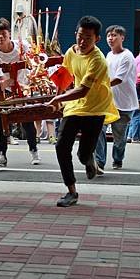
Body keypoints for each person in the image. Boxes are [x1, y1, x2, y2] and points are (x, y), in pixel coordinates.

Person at [47, 16, 119, 207]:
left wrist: (59, 99)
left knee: (82, 153)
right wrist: (58, 98)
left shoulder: (98, 61)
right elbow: (65, 76)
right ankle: (71, 191)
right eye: (80, 35)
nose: (82, 41)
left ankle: (89, 159)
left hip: (95, 108)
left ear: (97, 39)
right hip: (75, 106)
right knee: (61, 146)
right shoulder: (71, 51)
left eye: (88, 37)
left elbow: (82, 90)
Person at [0, 18, 39, 167]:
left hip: (24, 90)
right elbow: (1, 82)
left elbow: (34, 65)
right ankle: (1, 155)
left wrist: (30, 80)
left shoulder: (22, 46)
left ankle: (34, 150)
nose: (0, 37)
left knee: (27, 121)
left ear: (9, 34)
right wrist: (11, 81)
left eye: (3, 34)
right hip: (5, 93)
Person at [95, 25, 138, 170]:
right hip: (108, 102)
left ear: (122, 38)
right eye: (108, 36)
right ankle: (99, 162)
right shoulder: (109, 55)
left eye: (114, 35)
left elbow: (118, 79)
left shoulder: (127, 56)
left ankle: (118, 159)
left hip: (124, 104)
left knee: (119, 139)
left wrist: (97, 85)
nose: (110, 38)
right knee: (99, 129)